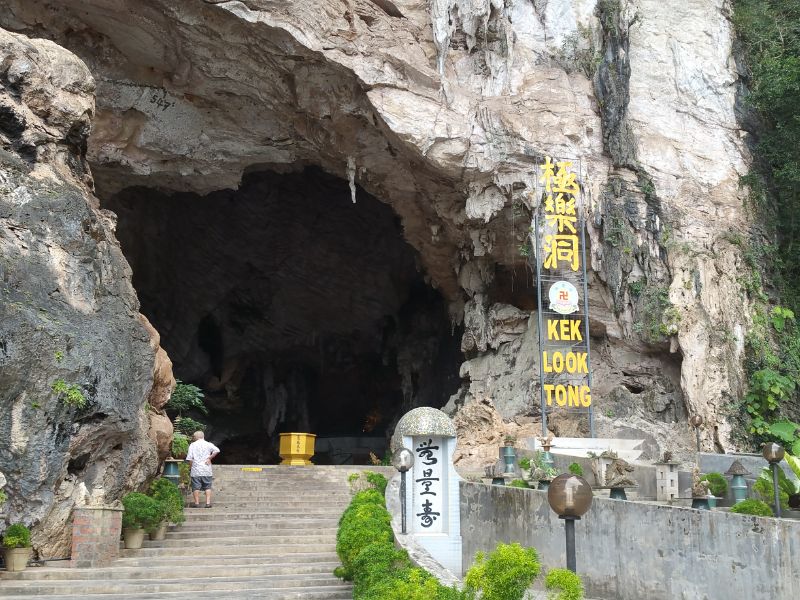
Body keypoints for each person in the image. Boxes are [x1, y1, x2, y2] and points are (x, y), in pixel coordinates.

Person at [185, 431, 220, 508]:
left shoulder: (193, 445)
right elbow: (217, 450)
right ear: (203, 436)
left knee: (195, 487)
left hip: (196, 469)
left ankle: (196, 503)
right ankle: (208, 503)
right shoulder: (208, 444)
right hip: (206, 469)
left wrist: (190, 468)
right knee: (207, 486)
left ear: (196, 437)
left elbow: (190, 458)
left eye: (194, 437)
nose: (193, 438)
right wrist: (209, 458)